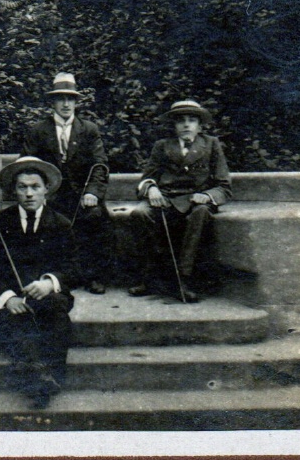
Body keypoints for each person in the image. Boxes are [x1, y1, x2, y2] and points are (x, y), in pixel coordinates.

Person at [0, 156, 79, 409]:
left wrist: (49, 282)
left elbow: (75, 268)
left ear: (47, 189)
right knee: (18, 320)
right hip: (9, 304)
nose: (29, 193)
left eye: (35, 187)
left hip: (49, 301)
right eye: (23, 187)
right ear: (14, 190)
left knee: (55, 310)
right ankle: (42, 378)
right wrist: (8, 297)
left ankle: (46, 376)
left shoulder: (61, 224)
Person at [129, 99, 232, 303]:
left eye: (191, 120)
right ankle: (150, 277)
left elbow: (224, 186)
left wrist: (207, 195)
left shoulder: (211, 144)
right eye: (181, 121)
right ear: (174, 126)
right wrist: (151, 189)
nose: (186, 125)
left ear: (199, 125)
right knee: (140, 213)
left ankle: (183, 279)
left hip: (196, 200)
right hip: (166, 199)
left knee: (201, 214)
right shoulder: (162, 146)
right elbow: (146, 178)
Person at [22, 72, 114, 294]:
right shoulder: (38, 131)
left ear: (76, 102)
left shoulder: (89, 130)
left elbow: (100, 165)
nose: (65, 104)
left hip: (81, 195)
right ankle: (51, 276)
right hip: (50, 195)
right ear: (52, 102)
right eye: (60, 98)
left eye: (70, 99)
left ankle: (92, 276)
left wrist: (92, 192)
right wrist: (38, 191)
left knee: (95, 217)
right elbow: (27, 164)